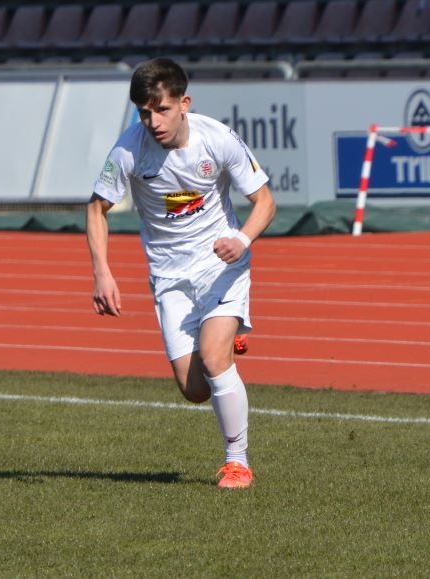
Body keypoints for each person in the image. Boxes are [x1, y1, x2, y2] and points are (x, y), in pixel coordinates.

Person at [87, 58, 276, 489]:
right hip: (169, 278)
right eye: (144, 113)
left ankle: (238, 463)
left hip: (221, 266)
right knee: (195, 390)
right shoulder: (129, 149)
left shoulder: (217, 138)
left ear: (184, 103)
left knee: (214, 357)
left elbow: (265, 201)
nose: (153, 122)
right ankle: (226, 336)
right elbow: (96, 208)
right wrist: (102, 272)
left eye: (162, 110)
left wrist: (242, 240)